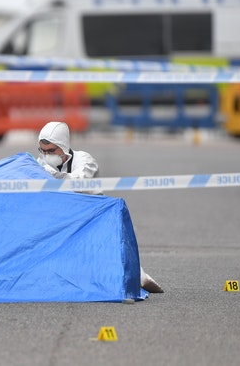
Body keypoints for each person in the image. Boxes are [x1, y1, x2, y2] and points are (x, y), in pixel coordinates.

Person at [37, 121, 164, 293]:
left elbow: (77, 183)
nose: (46, 156)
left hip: (93, 215)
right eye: (43, 151)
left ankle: (138, 274)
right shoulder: (41, 163)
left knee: (110, 250)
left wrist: (51, 175)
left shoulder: (85, 160)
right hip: (61, 215)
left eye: (51, 151)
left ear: (64, 147)